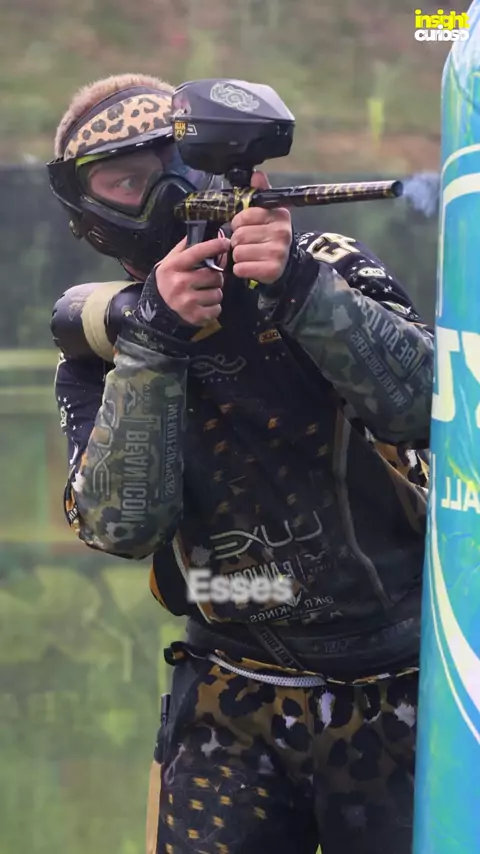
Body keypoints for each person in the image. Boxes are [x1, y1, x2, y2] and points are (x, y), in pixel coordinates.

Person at [49, 73, 433, 854]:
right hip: (230, 696)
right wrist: (155, 340)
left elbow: (427, 409)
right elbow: (122, 527)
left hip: (397, 685)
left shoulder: (324, 262)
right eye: (127, 181)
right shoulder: (104, 347)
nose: (165, 195)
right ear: (89, 212)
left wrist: (299, 286)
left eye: (176, 165)